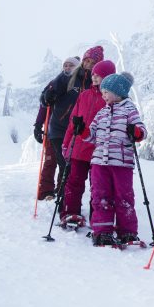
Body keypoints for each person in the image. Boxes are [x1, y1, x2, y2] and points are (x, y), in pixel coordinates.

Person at [34, 47, 103, 200]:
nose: (89, 64)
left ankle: (63, 197)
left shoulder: (97, 82)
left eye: (93, 62)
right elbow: (46, 98)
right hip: (60, 129)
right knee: (63, 164)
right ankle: (57, 197)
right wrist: (48, 97)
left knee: (71, 169)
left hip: (80, 132)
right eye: (87, 61)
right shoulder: (67, 77)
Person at [86, 72, 147, 247]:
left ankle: (127, 231)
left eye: (106, 91)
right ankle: (102, 232)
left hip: (121, 162)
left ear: (118, 92)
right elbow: (91, 135)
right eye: (102, 92)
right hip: (99, 162)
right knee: (100, 196)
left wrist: (135, 131)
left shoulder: (129, 109)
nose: (103, 95)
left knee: (124, 197)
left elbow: (142, 130)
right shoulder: (101, 113)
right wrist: (82, 130)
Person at [58, 59, 117, 227]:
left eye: (98, 75)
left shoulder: (111, 98)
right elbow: (72, 121)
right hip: (79, 148)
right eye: (93, 75)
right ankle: (71, 213)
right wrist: (67, 142)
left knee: (98, 186)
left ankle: (97, 216)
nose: (94, 78)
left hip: (100, 151)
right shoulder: (84, 95)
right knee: (74, 182)